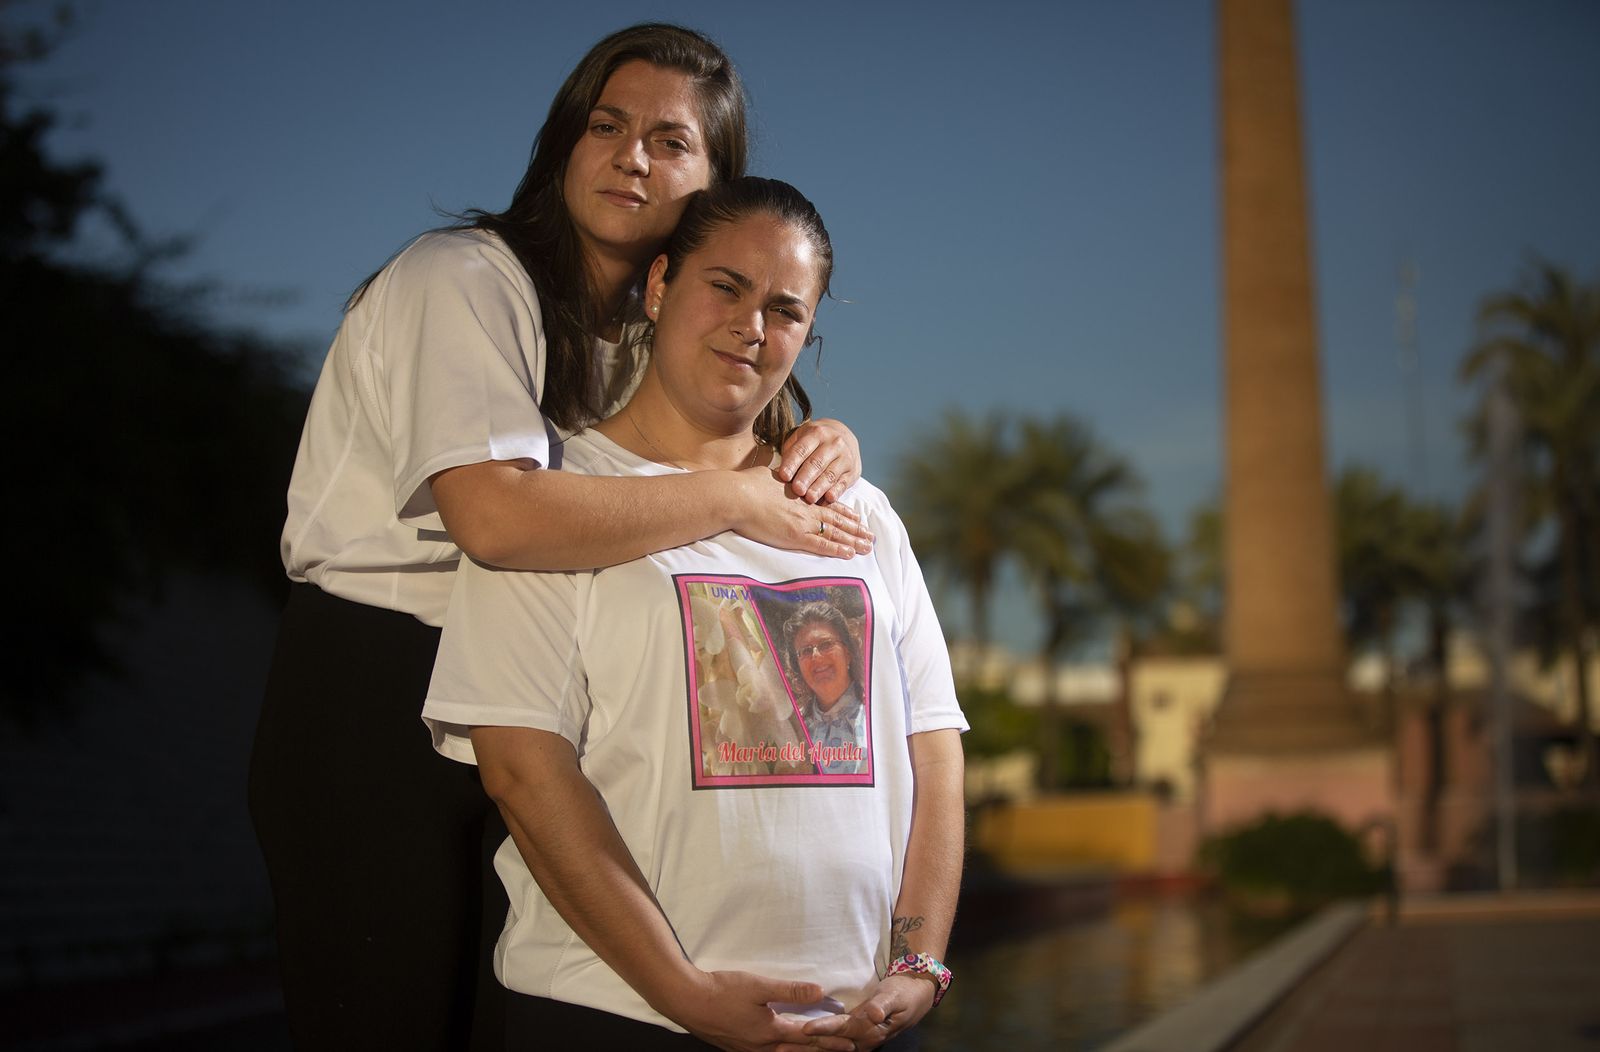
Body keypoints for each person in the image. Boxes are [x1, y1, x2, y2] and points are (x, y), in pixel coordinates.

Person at [247, 25, 872, 1052]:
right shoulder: (462, 276)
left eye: (671, 142)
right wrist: (736, 502)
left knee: (514, 1012)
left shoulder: (654, 331)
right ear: (563, 143)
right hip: (376, 687)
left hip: (542, 699)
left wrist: (821, 439)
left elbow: (736, 456)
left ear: (714, 186)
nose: (632, 155)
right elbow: (495, 516)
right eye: (608, 126)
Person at [423, 178, 967, 1052]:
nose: (752, 325)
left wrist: (921, 962)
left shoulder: (861, 512)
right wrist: (683, 993)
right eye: (726, 285)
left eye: (786, 309)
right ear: (660, 285)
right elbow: (522, 769)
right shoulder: (559, 503)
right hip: (610, 1017)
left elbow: (932, 752)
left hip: (846, 1028)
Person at [784, 601, 868, 775]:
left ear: (848, 652)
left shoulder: (876, 715)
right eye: (806, 651)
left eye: (826, 644)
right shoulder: (793, 726)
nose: (816, 655)